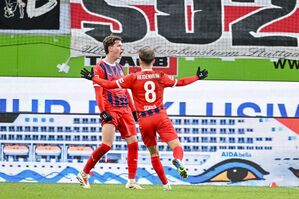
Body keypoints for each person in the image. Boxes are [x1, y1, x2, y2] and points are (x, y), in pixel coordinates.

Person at [80, 47, 208, 190]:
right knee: (176, 146)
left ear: (139, 61)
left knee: (153, 153)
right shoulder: (160, 76)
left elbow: (109, 85)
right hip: (160, 116)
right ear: (154, 60)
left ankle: (163, 184)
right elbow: (181, 82)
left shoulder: (133, 77)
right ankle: (176, 162)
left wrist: (93, 78)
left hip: (145, 120)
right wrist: (197, 77)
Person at [76, 35, 142, 189]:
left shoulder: (120, 68)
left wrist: (133, 110)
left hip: (125, 109)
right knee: (106, 145)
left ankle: (131, 181)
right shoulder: (99, 67)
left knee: (133, 144)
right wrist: (103, 112)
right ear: (110, 47)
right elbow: (98, 93)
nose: (122, 48)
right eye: (119, 45)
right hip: (111, 109)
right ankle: (83, 174)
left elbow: (126, 91)